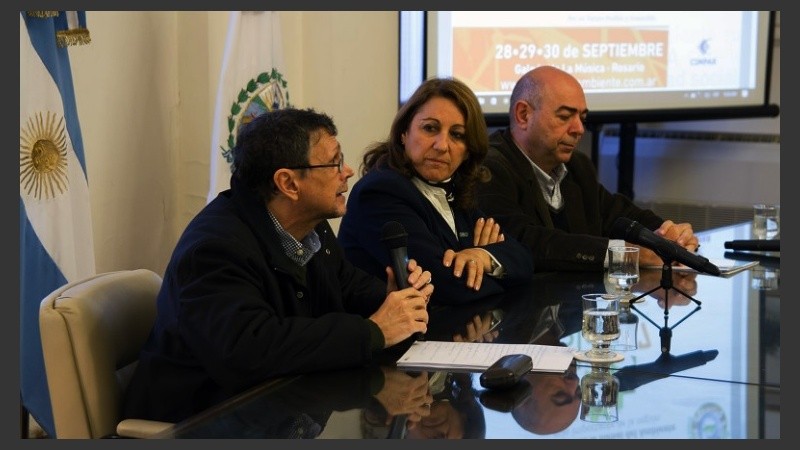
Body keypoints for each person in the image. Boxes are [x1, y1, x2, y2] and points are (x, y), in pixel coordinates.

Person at [122, 108, 434, 423]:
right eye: (334, 163)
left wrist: (396, 301)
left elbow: (349, 286)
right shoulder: (214, 250)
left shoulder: (311, 228)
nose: (348, 171)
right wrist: (373, 331)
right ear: (288, 183)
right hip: (203, 422)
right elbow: (250, 349)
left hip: (285, 413)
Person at [476, 65, 699, 272]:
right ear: (524, 115)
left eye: (582, 118)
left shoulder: (577, 166)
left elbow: (616, 213)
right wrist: (628, 255)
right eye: (564, 117)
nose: (579, 129)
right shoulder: (489, 169)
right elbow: (525, 241)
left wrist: (668, 234)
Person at [338, 77, 534, 305]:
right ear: (404, 133)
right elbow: (445, 287)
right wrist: (504, 277)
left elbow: (524, 260)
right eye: (430, 128)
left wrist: (482, 256)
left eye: (457, 135)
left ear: (469, 150)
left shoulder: (456, 191)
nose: (442, 146)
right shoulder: (380, 192)